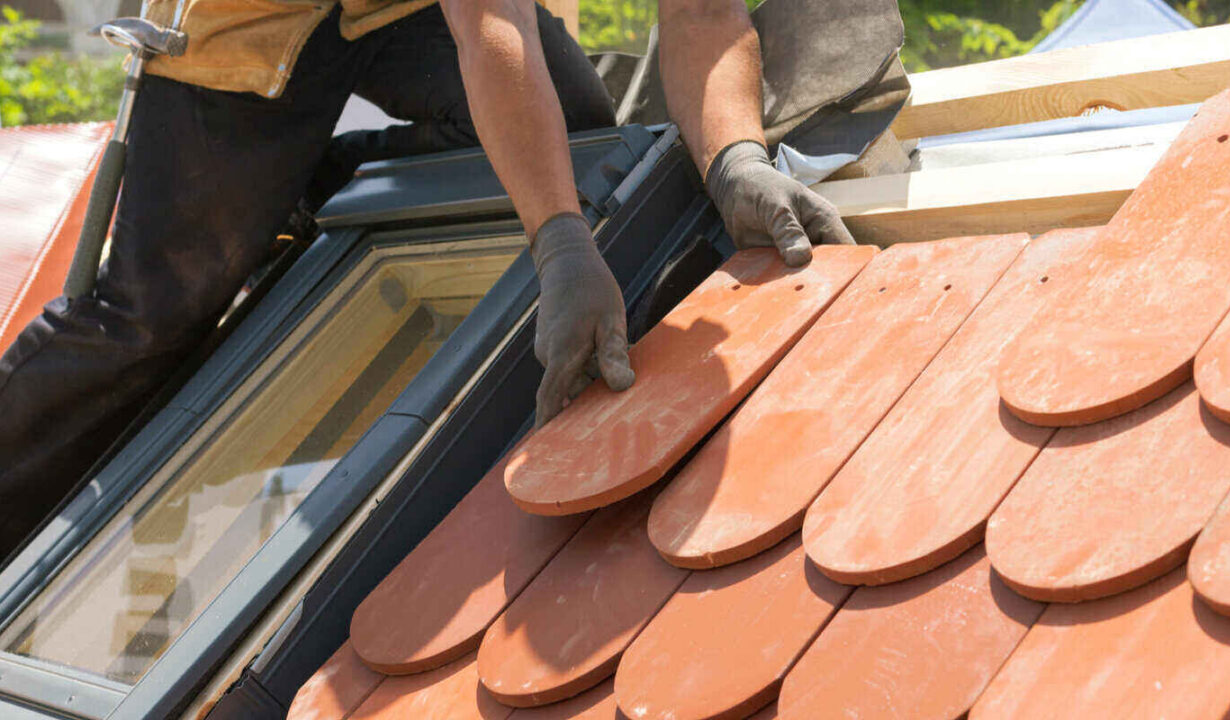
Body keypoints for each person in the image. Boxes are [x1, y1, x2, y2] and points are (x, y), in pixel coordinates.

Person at [0, 0, 853, 556]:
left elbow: (703, 12)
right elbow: (493, 27)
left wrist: (737, 156)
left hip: (405, 9)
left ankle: (309, 191)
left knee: (584, 145)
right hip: (248, 23)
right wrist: (558, 242)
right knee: (153, 309)